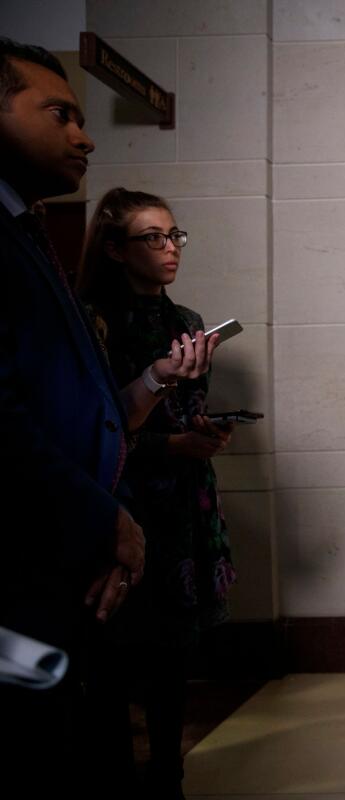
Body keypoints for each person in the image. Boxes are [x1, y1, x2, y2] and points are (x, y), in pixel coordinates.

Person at [0, 37, 142, 791]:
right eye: (59, 113)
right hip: (29, 558)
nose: (84, 136)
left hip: (71, 553)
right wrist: (101, 517)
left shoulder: (26, 226)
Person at [76, 187, 237, 798]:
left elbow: (187, 409)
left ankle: (170, 774)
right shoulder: (90, 318)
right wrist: (169, 446)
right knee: (114, 656)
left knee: (174, 654)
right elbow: (93, 430)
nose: (170, 249)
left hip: (183, 501)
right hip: (123, 498)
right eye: (153, 238)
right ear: (116, 249)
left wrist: (205, 429)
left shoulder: (186, 322)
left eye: (175, 236)